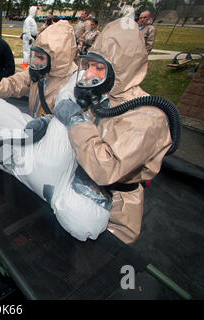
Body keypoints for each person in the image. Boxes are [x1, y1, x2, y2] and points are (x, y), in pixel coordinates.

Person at [51, 18, 172, 244]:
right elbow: (85, 133)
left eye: (99, 68)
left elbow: (105, 168)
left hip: (116, 210)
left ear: (121, 69)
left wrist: (75, 119)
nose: (88, 74)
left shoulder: (148, 117)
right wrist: (50, 124)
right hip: (82, 191)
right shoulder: (103, 98)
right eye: (89, 66)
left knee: (98, 267)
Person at [0, 20, 77, 118]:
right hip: (33, 126)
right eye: (36, 56)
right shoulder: (41, 70)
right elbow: (15, 83)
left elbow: (70, 123)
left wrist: (47, 122)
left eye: (41, 57)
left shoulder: (73, 85)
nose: (36, 61)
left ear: (56, 59)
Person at [21, 6, 38, 70]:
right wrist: (29, 38)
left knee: (32, 52)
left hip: (31, 38)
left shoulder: (32, 20)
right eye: (36, 12)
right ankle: (25, 65)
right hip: (28, 38)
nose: (37, 13)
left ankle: (31, 65)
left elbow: (33, 29)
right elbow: (27, 30)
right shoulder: (28, 20)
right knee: (27, 52)